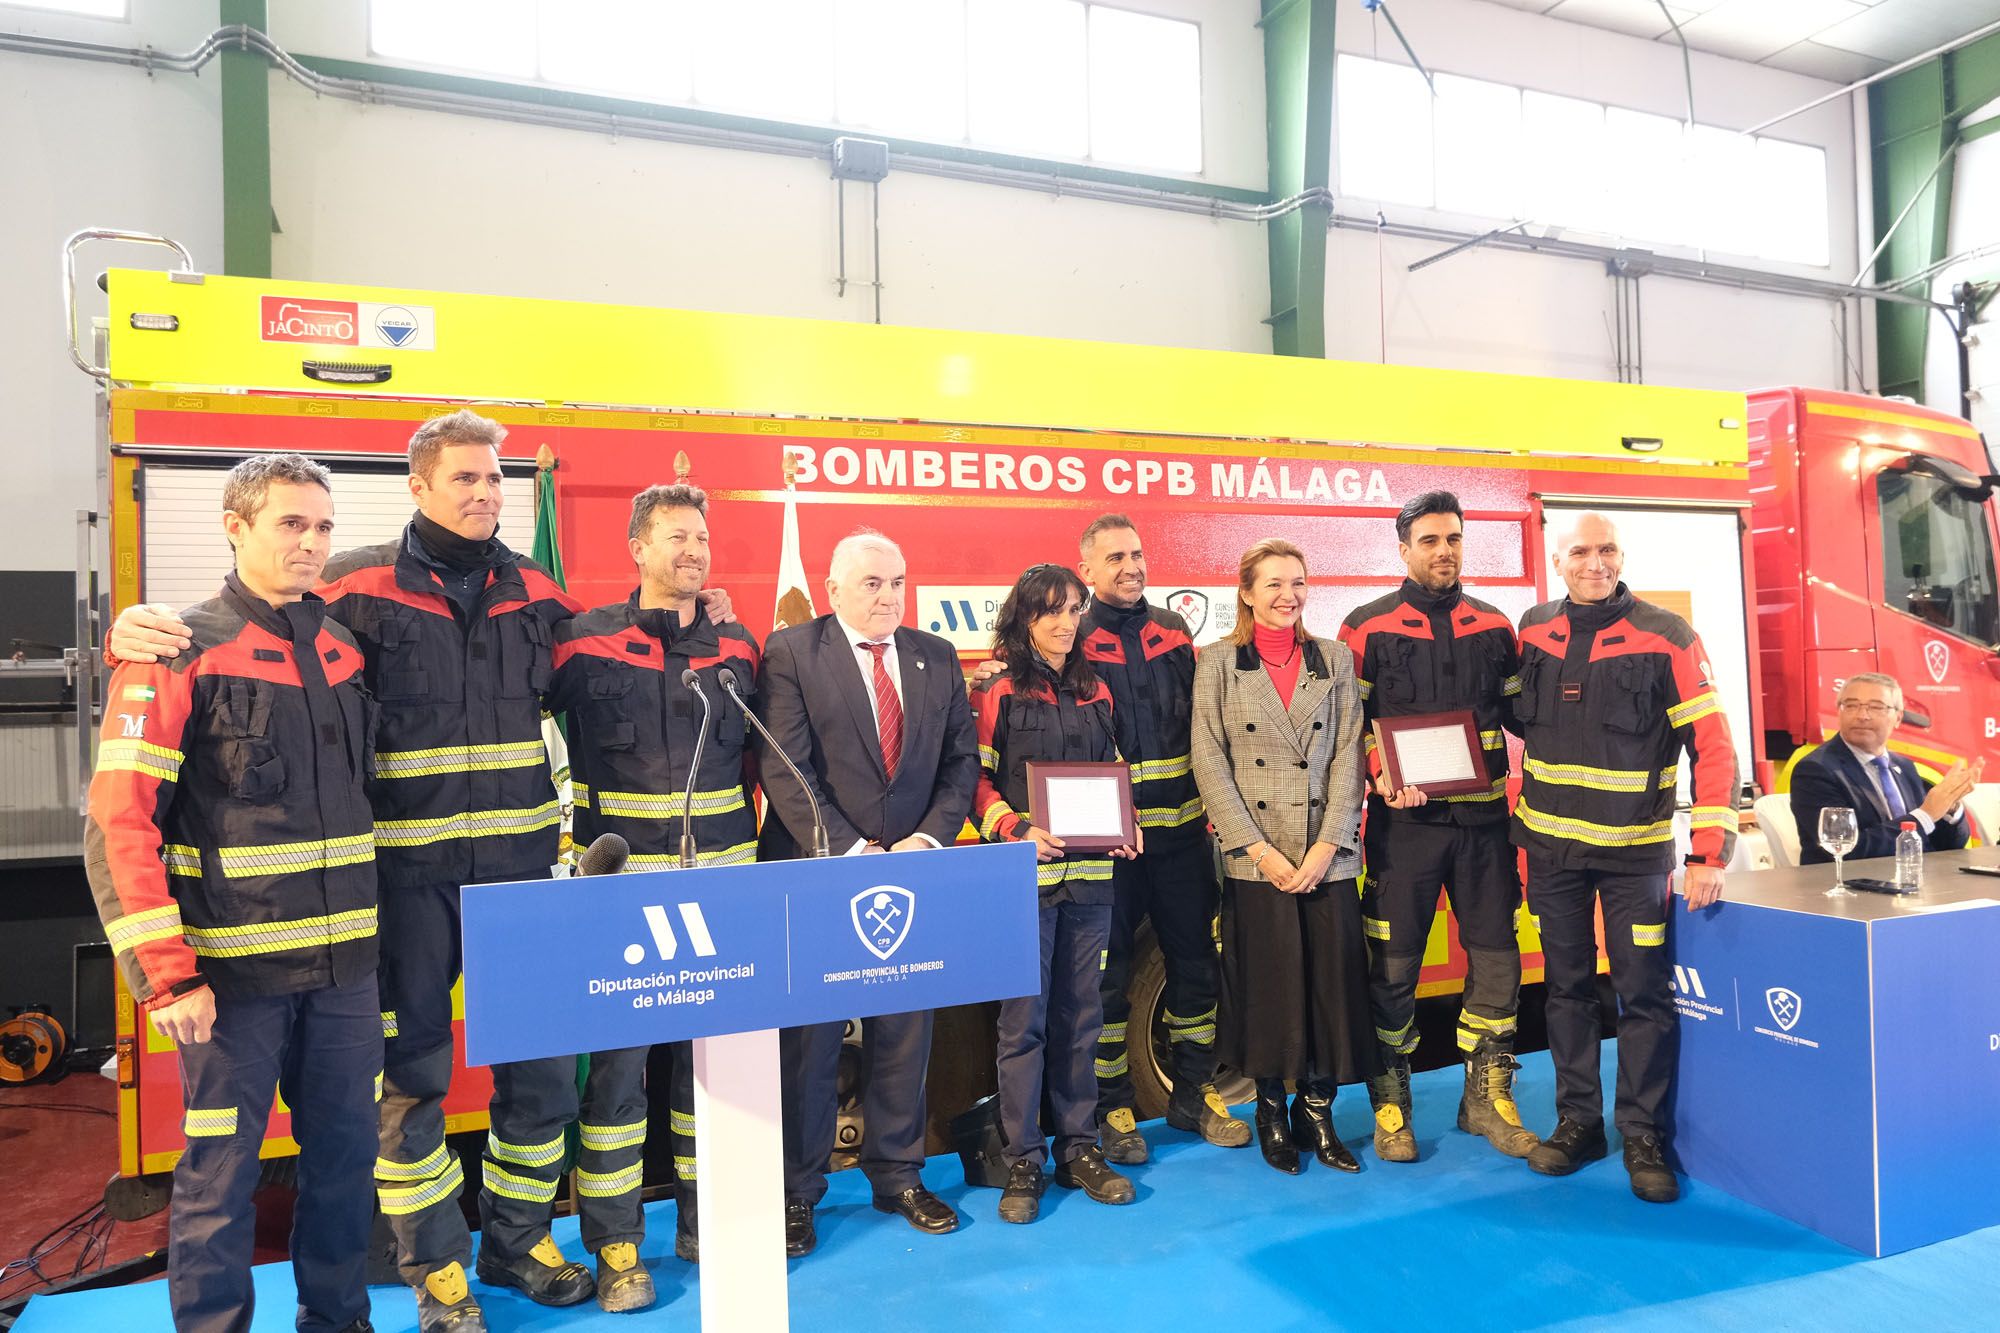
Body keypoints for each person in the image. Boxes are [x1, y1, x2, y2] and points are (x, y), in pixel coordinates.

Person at [110, 411, 580, 1331]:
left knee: (521, 1086)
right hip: (372, 907)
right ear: (418, 485)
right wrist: (133, 627)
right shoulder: (343, 594)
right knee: (395, 1095)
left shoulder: (520, 593)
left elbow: (598, 671)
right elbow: (130, 800)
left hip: (487, 899)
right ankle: (433, 1267)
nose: (485, 494)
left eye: (496, 479)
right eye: (464, 479)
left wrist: (691, 611)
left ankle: (506, 1249)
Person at [85, 454, 380, 1333]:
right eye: (290, 524)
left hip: (345, 980)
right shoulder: (178, 649)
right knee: (220, 1175)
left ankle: (339, 1320)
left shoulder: (343, 648)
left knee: (344, 1165)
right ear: (235, 525)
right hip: (229, 987)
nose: (311, 543)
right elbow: (119, 823)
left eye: (323, 526)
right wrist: (165, 976)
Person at [483, 483, 755, 1310]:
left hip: (726, 891)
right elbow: (490, 697)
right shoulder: (582, 642)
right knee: (619, 1083)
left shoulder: (738, 645)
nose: (693, 551)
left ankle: (710, 1219)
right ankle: (617, 1243)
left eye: (701, 537)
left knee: (713, 1076)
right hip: (622, 900)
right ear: (635, 547)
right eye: (675, 536)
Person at [972, 515, 1248, 1161]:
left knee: (1195, 970)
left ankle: (1194, 1092)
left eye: (1138, 553)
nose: (1131, 565)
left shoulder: (1175, 633)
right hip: (1105, 853)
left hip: (1179, 838)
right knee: (1105, 983)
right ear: (1086, 569)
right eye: (1114, 557)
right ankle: (1114, 1104)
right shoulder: (1072, 648)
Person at [757, 528, 979, 1256]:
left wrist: (926, 840)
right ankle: (796, 1192)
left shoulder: (935, 656)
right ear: (834, 591)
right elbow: (785, 767)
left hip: (912, 874)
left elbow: (959, 763)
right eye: (873, 584)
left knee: (904, 1033)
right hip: (819, 875)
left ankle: (898, 1173)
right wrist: (851, 849)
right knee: (811, 1044)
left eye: (898, 581)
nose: (889, 596)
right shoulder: (793, 652)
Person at [1511, 512, 1735, 1204]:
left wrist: (1706, 851)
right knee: (1566, 990)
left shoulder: (1668, 636)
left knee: (1643, 995)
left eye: (1606, 549)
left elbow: (1715, 745)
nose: (1595, 561)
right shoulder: (1533, 629)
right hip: (1551, 852)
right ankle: (1580, 1121)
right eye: (1581, 550)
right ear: (1558, 558)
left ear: (1621, 555)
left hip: (1636, 857)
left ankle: (1642, 1132)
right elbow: (1512, 721)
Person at [1340, 491, 1539, 1164]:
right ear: (1403, 549)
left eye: (1453, 538)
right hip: (1405, 830)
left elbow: (1523, 718)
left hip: (1484, 824)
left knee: (1496, 961)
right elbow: (1349, 727)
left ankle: (1486, 1094)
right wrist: (1379, 769)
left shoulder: (1494, 625)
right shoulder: (1365, 628)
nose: (1444, 550)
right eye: (1429, 539)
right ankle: (1391, 1100)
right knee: (1392, 970)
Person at [1189, 537, 1374, 1176]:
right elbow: (1208, 761)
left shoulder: (1336, 659)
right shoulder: (1217, 663)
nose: (1287, 595)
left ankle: (1317, 1113)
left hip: (1328, 855)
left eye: (1297, 582)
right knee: (1268, 991)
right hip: (1255, 860)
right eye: (1272, 584)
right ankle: (1271, 1112)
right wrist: (1258, 849)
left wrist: (1329, 843)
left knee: (1329, 987)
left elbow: (1350, 752)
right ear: (1246, 592)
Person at [970, 564, 1140, 1223]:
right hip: (1024, 885)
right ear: (1024, 617)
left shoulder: (1098, 689)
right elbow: (978, 784)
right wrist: (1012, 827)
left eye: (1073, 609)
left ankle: (1080, 1147)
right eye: (1050, 611)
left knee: (1082, 1020)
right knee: (1024, 1026)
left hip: (1094, 883)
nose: (1066, 622)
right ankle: (1023, 1161)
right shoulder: (999, 690)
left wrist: (1126, 829)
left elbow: (1112, 773)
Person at [1789, 672, 1981, 864]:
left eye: (1876, 707)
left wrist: (1949, 806)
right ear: (1839, 712)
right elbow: (1848, 851)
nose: (1862, 716)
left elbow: (1947, 846)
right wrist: (1925, 815)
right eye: (1851, 706)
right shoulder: (1815, 770)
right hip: (1851, 884)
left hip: (1914, 882)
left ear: (1898, 717)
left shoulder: (1905, 768)